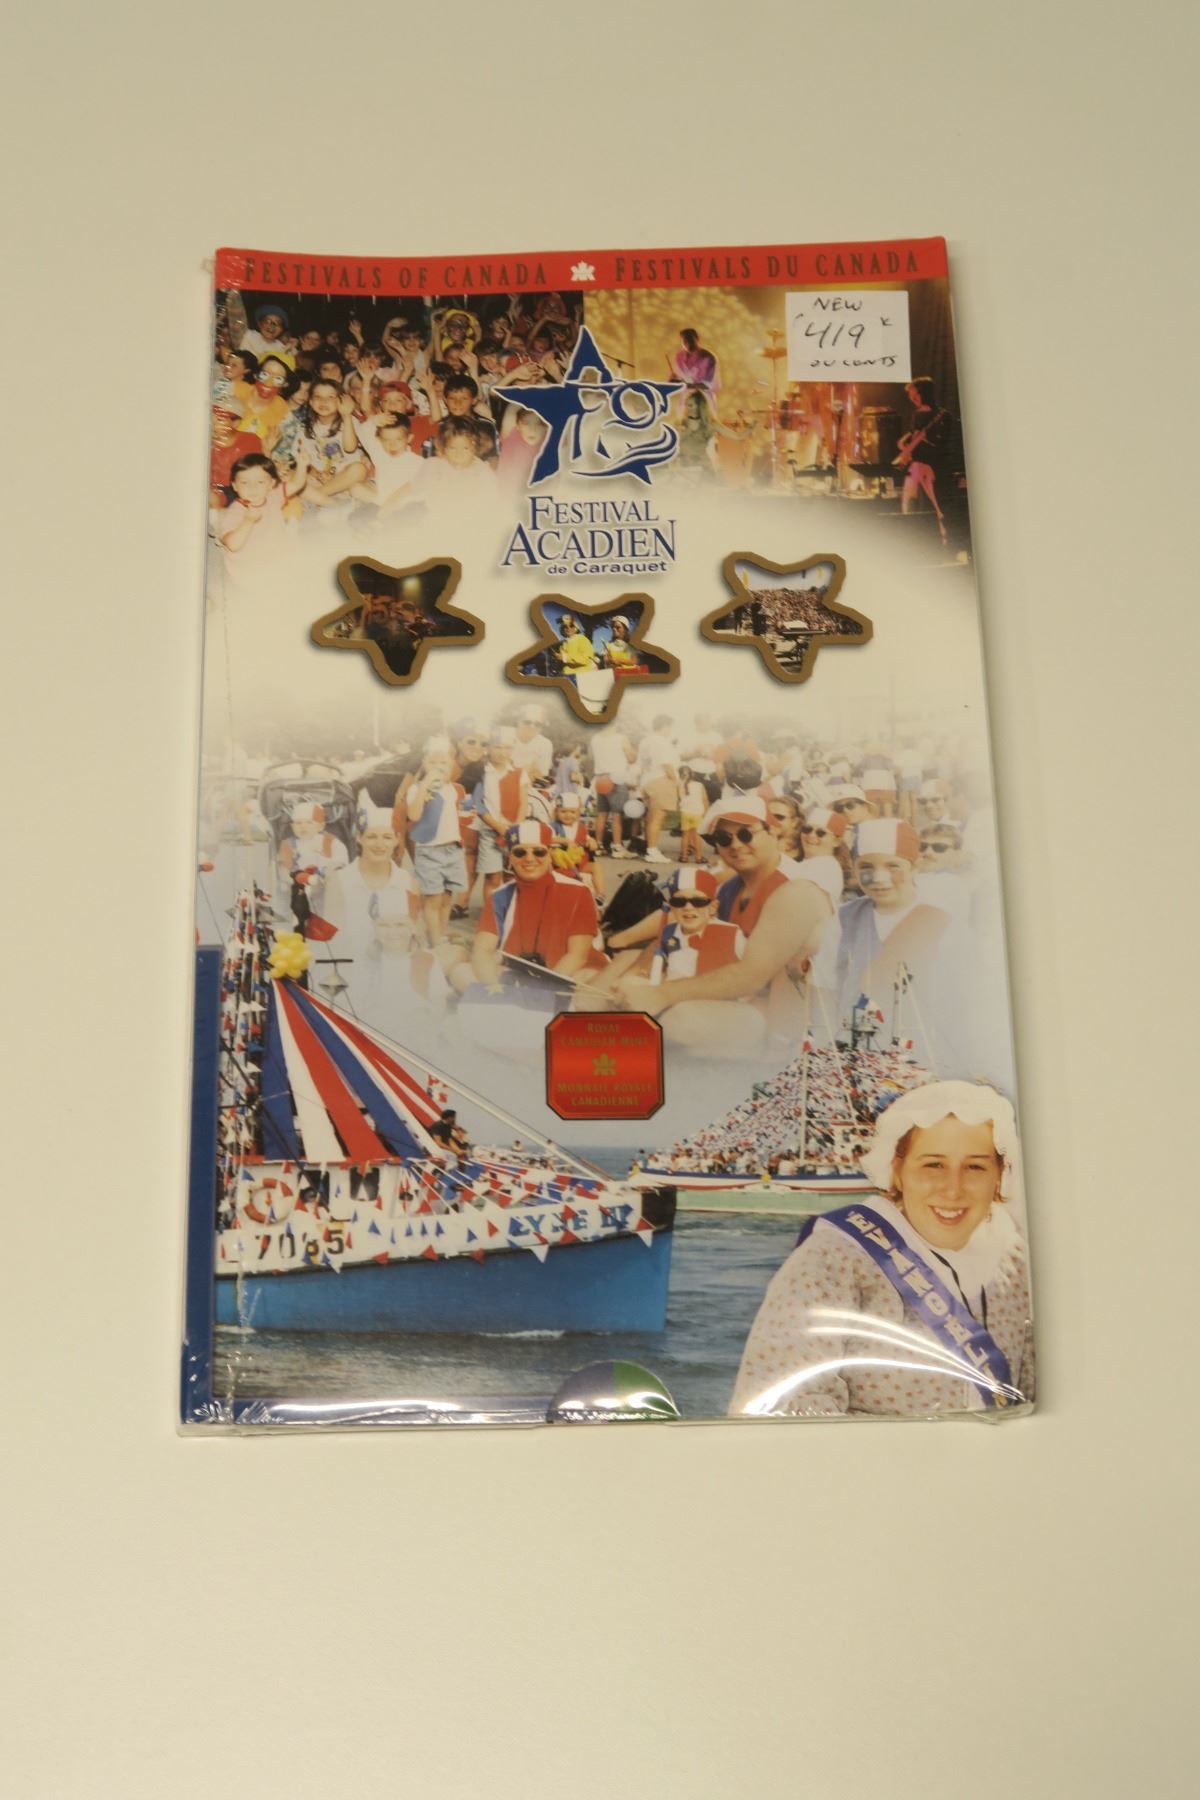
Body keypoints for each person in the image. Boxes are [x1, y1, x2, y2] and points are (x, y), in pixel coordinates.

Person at [730, 1081, 1033, 1417]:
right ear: (897, 1171)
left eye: (975, 1166)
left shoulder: (1017, 1265)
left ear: (999, 1175)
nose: (953, 1188)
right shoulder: (834, 1258)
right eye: (933, 1165)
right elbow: (780, 1405)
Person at [618, 795, 830, 1055]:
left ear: (773, 831)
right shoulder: (731, 888)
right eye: (724, 838)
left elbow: (751, 977)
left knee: (680, 1020)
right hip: (744, 1002)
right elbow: (678, 930)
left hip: (788, 1020)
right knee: (623, 973)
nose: (736, 845)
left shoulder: (796, 887)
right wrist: (638, 973)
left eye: (746, 834)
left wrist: (660, 994)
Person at [405, 736, 469, 946]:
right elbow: (413, 815)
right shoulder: (417, 789)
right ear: (424, 763)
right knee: (433, 899)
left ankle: (440, 936)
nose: (439, 767)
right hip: (429, 851)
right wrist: (425, 784)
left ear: (451, 764)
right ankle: (437, 945)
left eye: (443, 762)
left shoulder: (453, 789)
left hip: (452, 849)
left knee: (446, 898)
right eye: (433, 762)